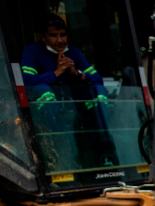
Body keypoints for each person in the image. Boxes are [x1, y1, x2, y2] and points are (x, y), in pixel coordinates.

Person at [21, 15, 115, 167]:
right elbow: (26, 81)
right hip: (48, 120)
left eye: (63, 35)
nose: (60, 40)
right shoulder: (32, 51)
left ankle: (104, 143)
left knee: (98, 90)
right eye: (53, 35)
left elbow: (98, 79)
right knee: (42, 89)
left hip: (76, 112)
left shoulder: (74, 52)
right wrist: (56, 73)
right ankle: (60, 141)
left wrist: (77, 73)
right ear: (42, 37)